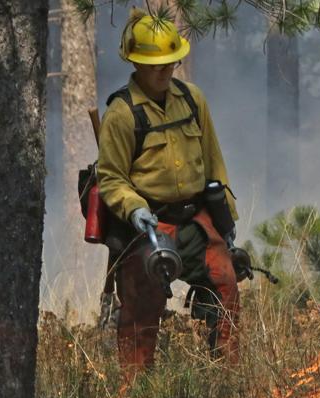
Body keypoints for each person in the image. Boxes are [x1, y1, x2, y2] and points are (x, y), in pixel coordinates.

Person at [97, 9, 240, 373]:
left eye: (170, 63)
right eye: (155, 65)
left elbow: (214, 163)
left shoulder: (192, 100)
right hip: (150, 226)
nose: (164, 71)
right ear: (135, 62)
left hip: (197, 220)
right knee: (140, 314)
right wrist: (133, 209)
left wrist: (226, 221)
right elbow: (111, 178)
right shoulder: (122, 113)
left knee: (225, 286)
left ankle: (227, 379)